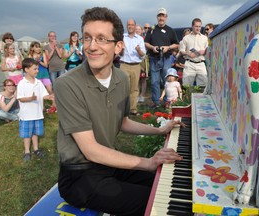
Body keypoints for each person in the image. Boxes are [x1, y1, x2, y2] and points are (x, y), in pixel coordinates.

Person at [54, 7, 183, 216]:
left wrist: (161, 130)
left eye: (101, 39)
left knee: (166, 185)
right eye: (87, 38)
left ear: (118, 46)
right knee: (154, 206)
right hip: (80, 177)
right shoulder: (66, 84)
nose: (92, 46)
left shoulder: (121, 78)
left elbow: (122, 122)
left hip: (108, 164)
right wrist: (148, 162)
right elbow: (91, 151)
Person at [17, 58, 54, 161]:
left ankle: (36, 149)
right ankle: (27, 151)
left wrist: (49, 97)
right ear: (26, 69)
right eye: (35, 69)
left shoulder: (38, 82)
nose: (37, 71)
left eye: (37, 69)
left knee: (35, 133)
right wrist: (30, 98)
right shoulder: (22, 83)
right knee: (27, 134)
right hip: (26, 115)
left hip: (37, 114)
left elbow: (44, 94)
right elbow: (20, 98)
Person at [145, 8, 179, 109]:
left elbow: (177, 44)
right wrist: (153, 48)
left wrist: (168, 47)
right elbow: (146, 43)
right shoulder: (151, 30)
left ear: (166, 17)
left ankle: (167, 101)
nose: (161, 18)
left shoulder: (170, 30)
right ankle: (156, 102)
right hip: (154, 58)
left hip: (167, 58)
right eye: (159, 15)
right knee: (155, 81)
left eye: (163, 16)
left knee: (167, 80)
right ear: (157, 17)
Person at [120, 19, 146, 116]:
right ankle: (122, 110)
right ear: (127, 26)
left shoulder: (139, 39)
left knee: (134, 89)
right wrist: (121, 50)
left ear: (135, 26)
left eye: (132, 25)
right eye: (128, 25)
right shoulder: (122, 37)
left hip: (136, 66)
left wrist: (138, 50)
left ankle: (133, 110)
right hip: (124, 65)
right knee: (123, 88)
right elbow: (119, 53)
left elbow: (142, 55)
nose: (130, 26)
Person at [28, 41, 57, 113]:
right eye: (36, 47)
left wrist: (39, 61)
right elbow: (30, 67)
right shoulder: (30, 56)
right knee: (39, 91)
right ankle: (42, 107)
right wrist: (35, 62)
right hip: (36, 75)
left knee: (50, 90)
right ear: (32, 48)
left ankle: (54, 105)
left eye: (39, 47)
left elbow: (46, 65)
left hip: (44, 74)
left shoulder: (42, 54)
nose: (38, 49)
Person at [180, 18, 208, 87]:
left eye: (199, 26)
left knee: (203, 86)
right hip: (189, 63)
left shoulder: (205, 38)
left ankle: (201, 98)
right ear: (192, 26)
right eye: (196, 26)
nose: (198, 28)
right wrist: (189, 53)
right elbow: (181, 51)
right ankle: (187, 98)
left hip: (201, 63)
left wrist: (204, 51)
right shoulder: (186, 38)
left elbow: (208, 51)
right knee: (186, 86)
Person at [136, 24, 149, 103]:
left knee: (143, 79)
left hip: (143, 61)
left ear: (142, 31)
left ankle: (142, 95)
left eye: (139, 29)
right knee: (136, 79)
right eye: (136, 29)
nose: (137, 31)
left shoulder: (145, 39)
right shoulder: (132, 39)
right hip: (135, 60)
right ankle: (136, 95)